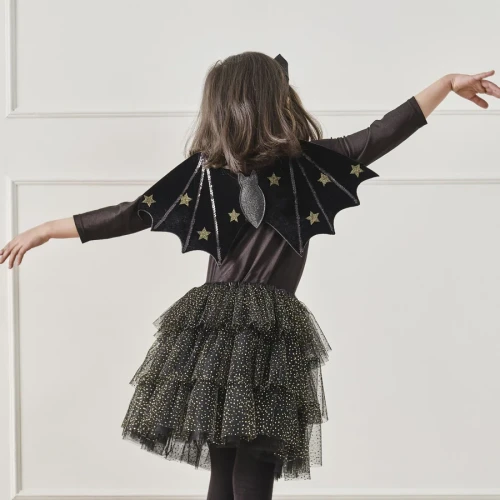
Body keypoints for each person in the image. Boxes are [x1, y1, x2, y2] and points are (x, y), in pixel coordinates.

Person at [1, 52, 498, 500]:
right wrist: (444, 84)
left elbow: (131, 213)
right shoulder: (299, 165)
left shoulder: (215, 170)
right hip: (266, 330)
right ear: (274, 100)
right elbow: (382, 132)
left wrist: (48, 229)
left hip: (212, 328)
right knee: (255, 464)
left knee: (226, 465)